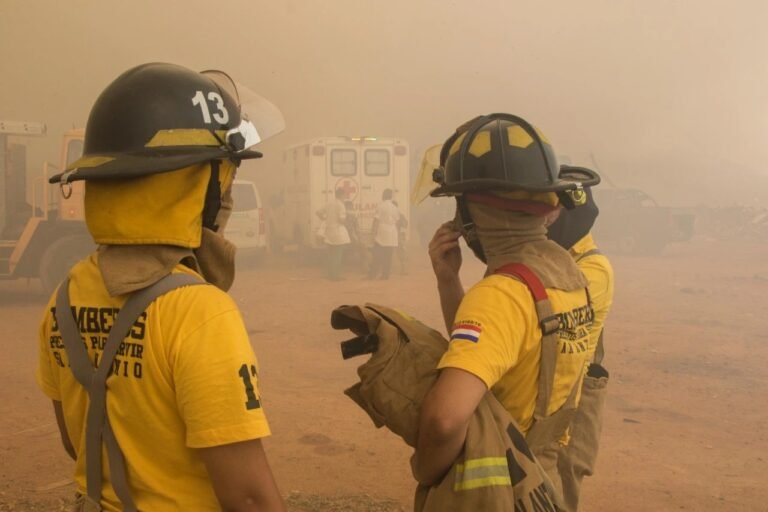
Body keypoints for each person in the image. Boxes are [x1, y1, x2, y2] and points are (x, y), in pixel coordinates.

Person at [36, 63, 286, 511]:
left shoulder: (66, 295)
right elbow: (248, 497)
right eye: (222, 177)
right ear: (196, 184)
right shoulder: (200, 312)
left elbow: (78, 443)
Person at [413, 114, 601, 500]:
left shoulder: (500, 294)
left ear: (472, 213)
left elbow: (444, 421)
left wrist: (424, 469)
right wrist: (449, 283)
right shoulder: (570, 279)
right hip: (543, 481)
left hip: (496, 488)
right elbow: (496, 355)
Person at [547, 186, 614, 512]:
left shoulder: (593, 268)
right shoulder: (556, 255)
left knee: (564, 475)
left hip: (573, 388)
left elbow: (554, 329)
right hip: (553, 387)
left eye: (552, 211)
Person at [316, 188, 351, 280]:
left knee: (331, 255)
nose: (345, 197)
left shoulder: (329, 203)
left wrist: (325, 218)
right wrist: (347, 223)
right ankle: (335, 276)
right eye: (345, 195)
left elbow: (318, 212)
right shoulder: (341, 205)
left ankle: (330, 274)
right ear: (342, 195)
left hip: (329, 231)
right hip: (338, 231)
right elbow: (341, 220)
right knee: (338, 255)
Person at [368, 188, 400, 280]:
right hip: (392, 233)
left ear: (383, 195)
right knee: (388, 256)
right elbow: (397, 222)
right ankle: (385, 275)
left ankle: (372, 274)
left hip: (382, 232)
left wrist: (373, 233)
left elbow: (376, 220)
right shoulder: (395, 208)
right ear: (391, 196)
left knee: (377, 255)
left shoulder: (380, 206)